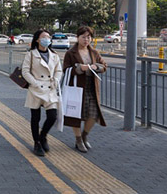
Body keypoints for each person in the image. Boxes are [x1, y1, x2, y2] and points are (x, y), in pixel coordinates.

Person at [62, 25, 107, 153]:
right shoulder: (71, 53)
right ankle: (78, 140)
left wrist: (96, 67)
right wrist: (79, 68)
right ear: (77, 38)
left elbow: (104, 66)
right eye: (83, 37)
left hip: (91, 87)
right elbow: (66, 69)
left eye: (88, 37)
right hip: (77, 87)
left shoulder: (94, 52)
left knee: (93, 114)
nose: (86, 40)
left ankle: (84, 135)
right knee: (75, 114)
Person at [21, 29, 62, 157]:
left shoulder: (54, 55)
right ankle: (37, 143)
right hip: (36, 88)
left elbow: (58, 70)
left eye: (49, 37)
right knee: (35, 118)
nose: (47, 39)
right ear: (37, 39)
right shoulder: (31, 54)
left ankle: (43, 135)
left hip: (50, 88)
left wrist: (55, 80)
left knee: (52, 116)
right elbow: (25, 71)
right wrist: (34, 83)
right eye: (44, 37)